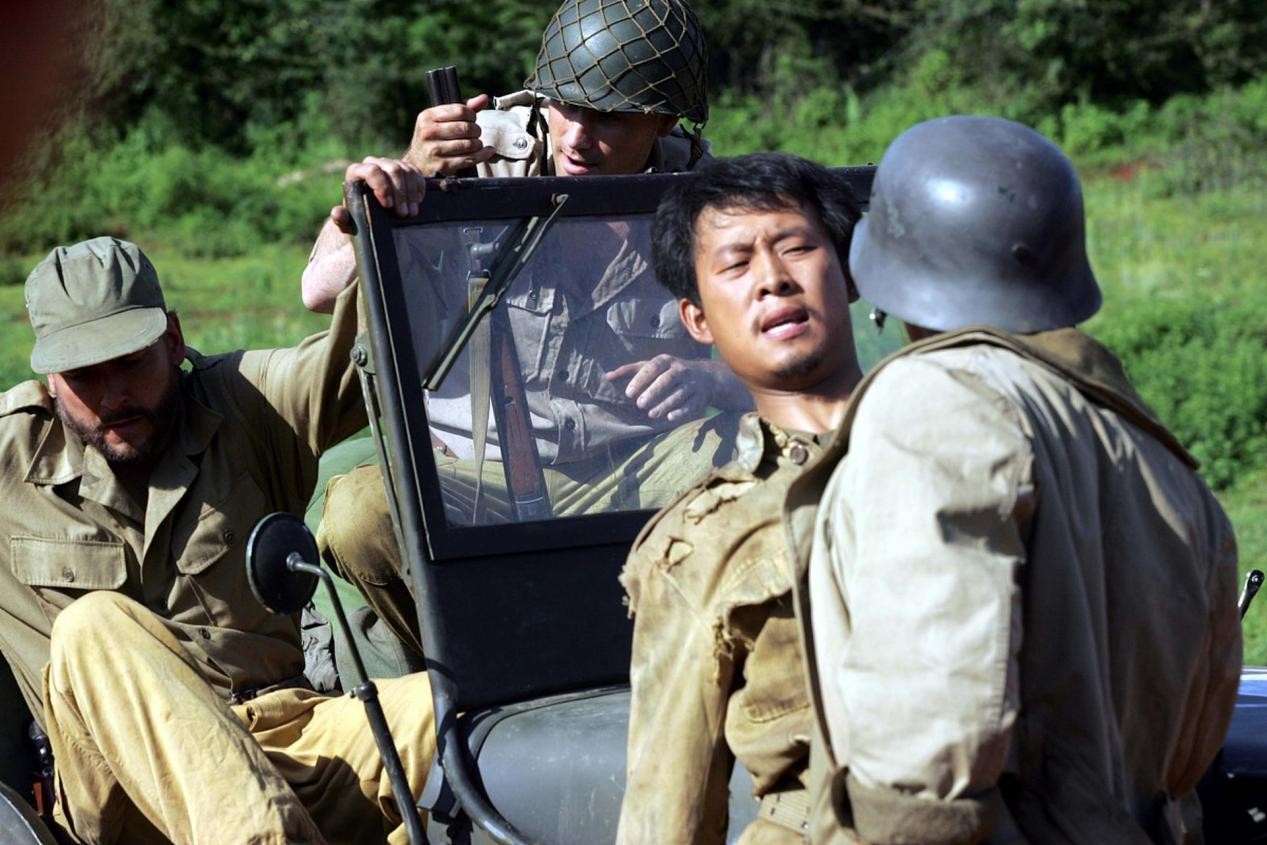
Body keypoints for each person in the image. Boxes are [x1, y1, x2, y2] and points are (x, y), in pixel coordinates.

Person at [786, 115, 1242, 843]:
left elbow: (928, 736)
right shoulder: (1157, 455)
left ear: (884, 276)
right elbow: (1193, 738)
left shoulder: (930, 402)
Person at [304, 0, 749, 666]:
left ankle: (691, 664)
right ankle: (467, 673)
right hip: (475, 468)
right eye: (566, 107)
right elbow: (319, 290)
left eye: (609, 117)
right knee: (359, 515)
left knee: (762, 461)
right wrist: (404, 180)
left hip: (634, 464)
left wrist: (712, 377)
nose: (577, 138)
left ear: (663, 119)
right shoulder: (477, 157)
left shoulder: (705, 199)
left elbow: (783, 352)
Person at [0, 164, 435, 845]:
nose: (113, 395)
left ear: (173, 340)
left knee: (453, 719)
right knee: (92, 624)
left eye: (131, 361)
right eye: (84, 376)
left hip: (286, 734)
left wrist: (391, 232)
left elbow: (365, 360)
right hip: (124, 794)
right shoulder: (8, 461)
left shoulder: (241, 402)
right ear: (50, 380)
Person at [616, 153, 863, 843]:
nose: (772, 279)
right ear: (696, 319)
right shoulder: (700, 542)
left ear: (849, 273)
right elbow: (666, 812)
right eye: (736, 264)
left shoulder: (967, 437)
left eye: (796, 247)